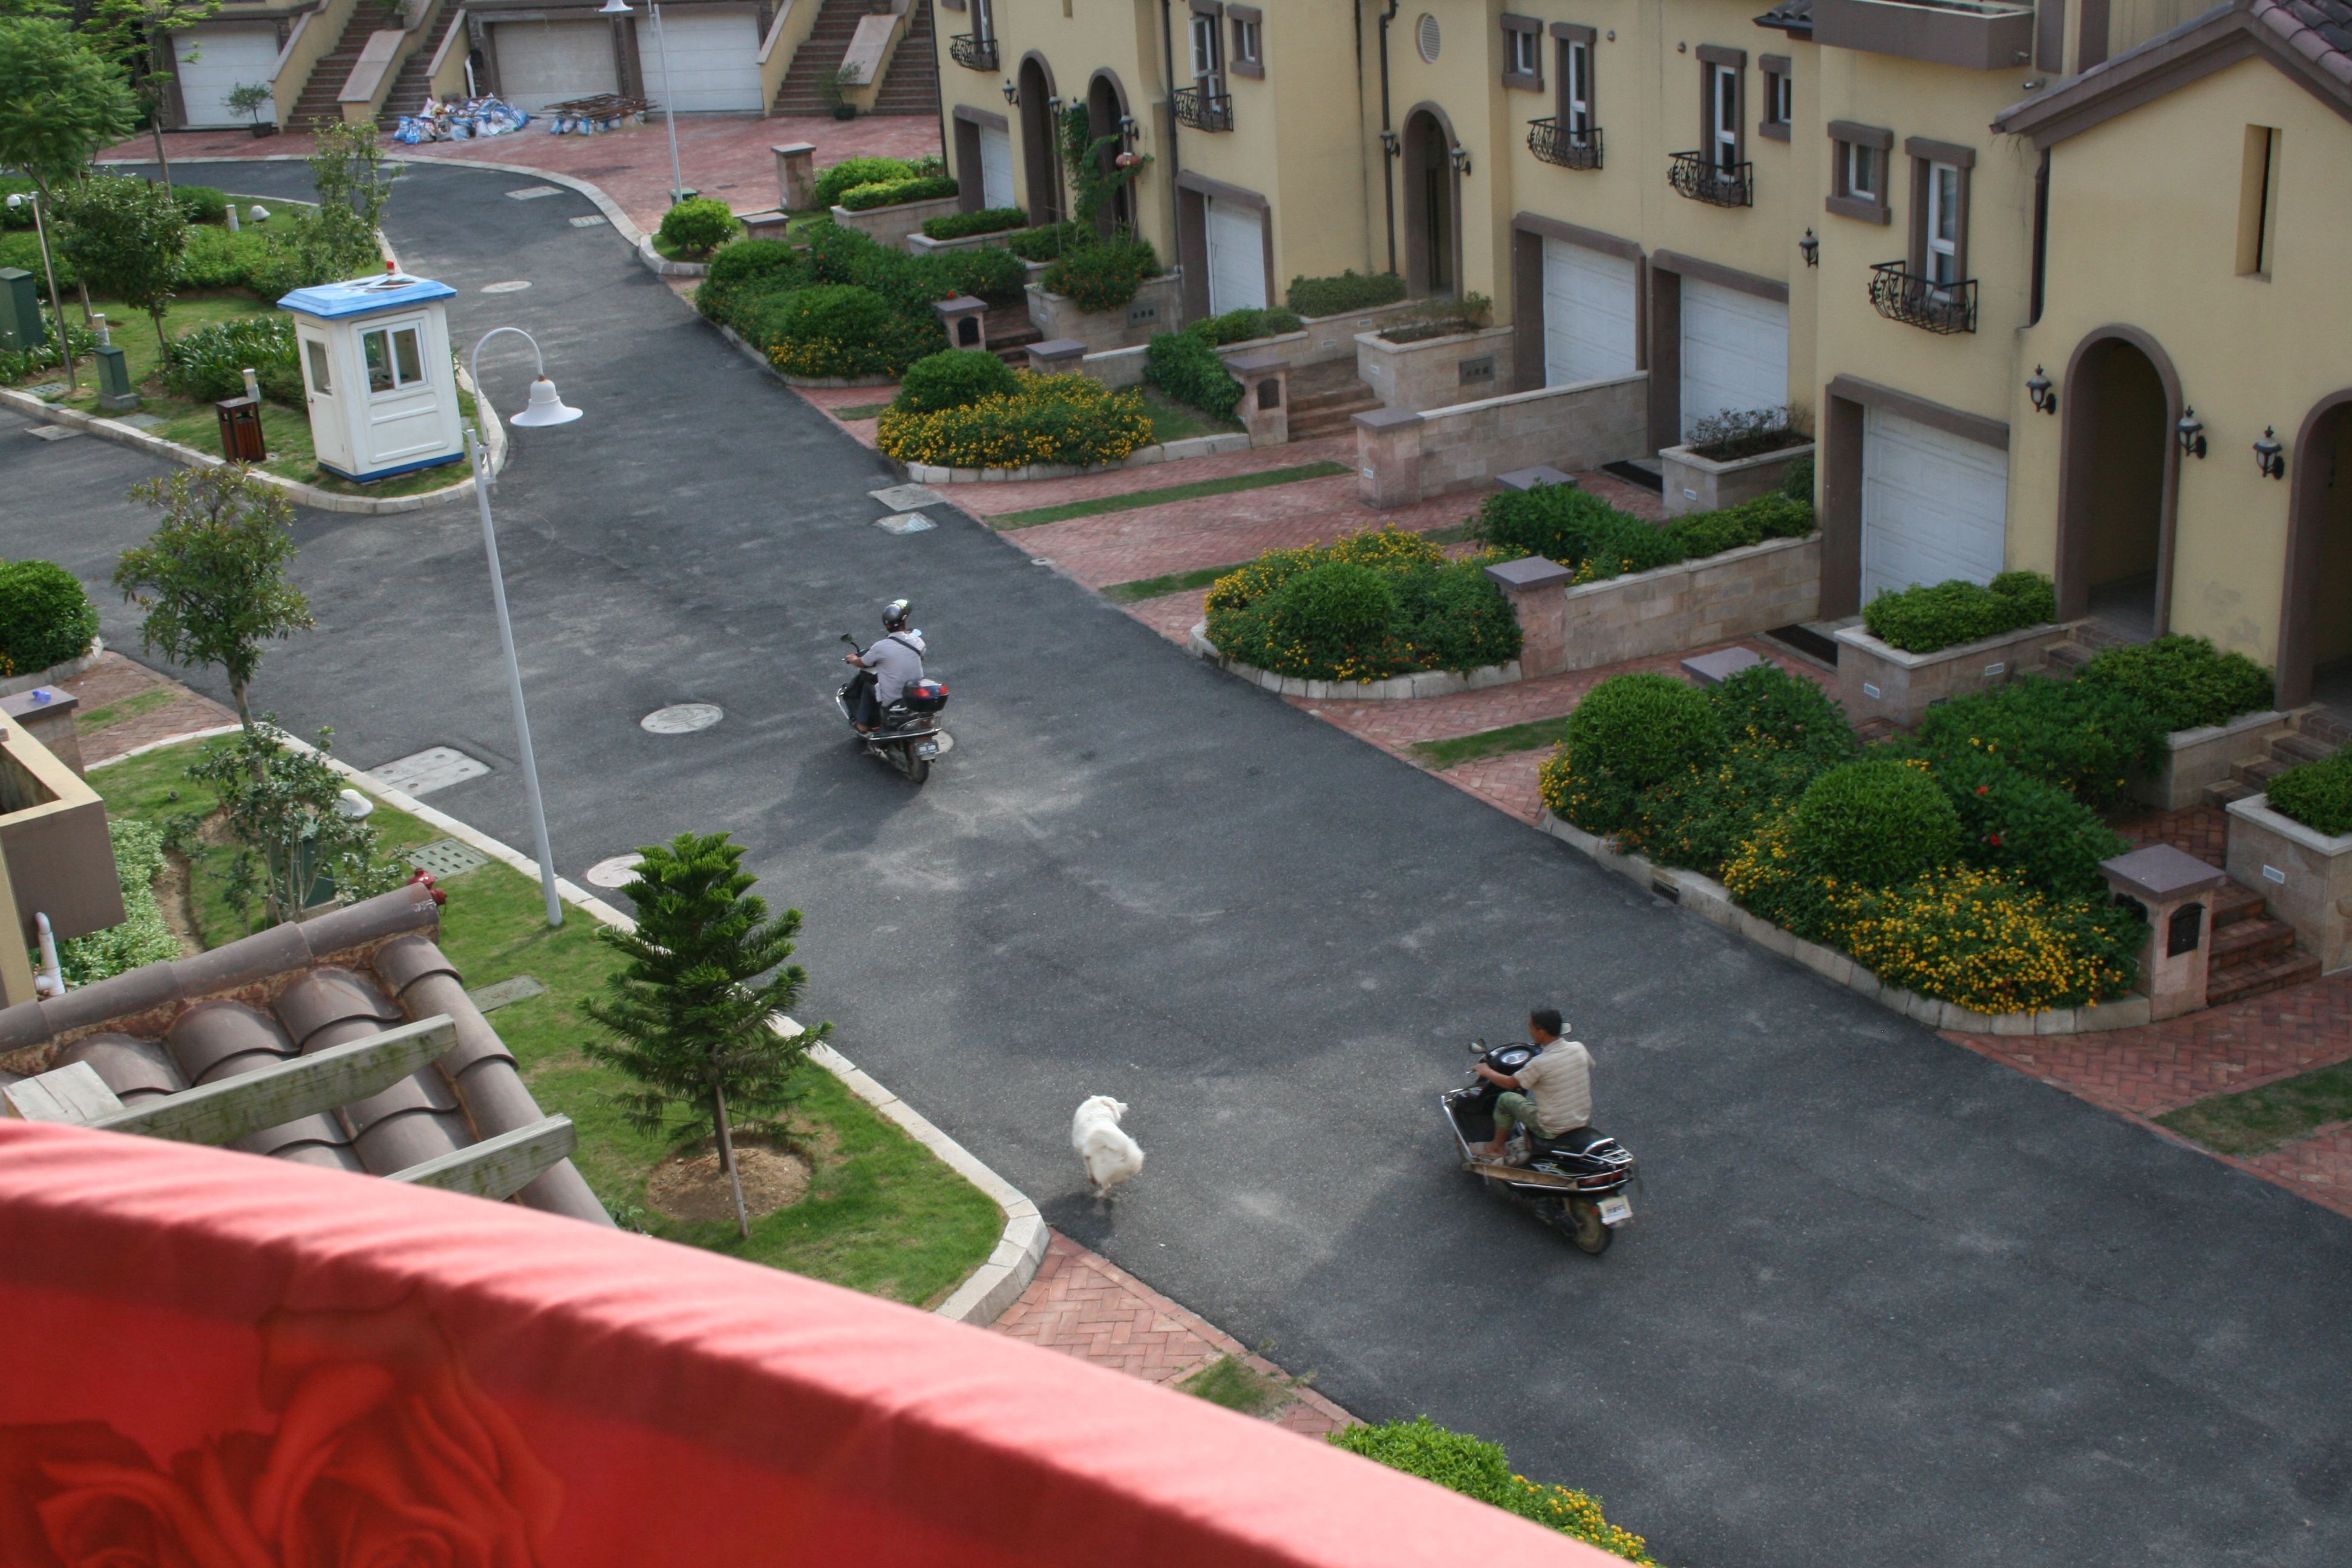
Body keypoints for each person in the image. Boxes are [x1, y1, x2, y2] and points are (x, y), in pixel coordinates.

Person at [1469, 1008, 1592, 1161]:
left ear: (1541, 1032)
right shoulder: (1579, 1048)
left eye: (1531, 1027)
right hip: (1582, 1120)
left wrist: (1486, 1071)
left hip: (1553, 1128)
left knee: (1506, 1099)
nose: (1530, 1031)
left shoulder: (1540, 1063)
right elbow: (1589, 1066)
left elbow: (1510, 1084)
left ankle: (1496, 1149)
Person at [844, 599, 926, 733]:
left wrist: (853, 659)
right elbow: (921, 657)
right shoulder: (917, 641)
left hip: (893, 698)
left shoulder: (880, 647)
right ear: (904, 622)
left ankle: (863, 724)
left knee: (868, 683)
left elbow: (863, 663)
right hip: (914, 693)